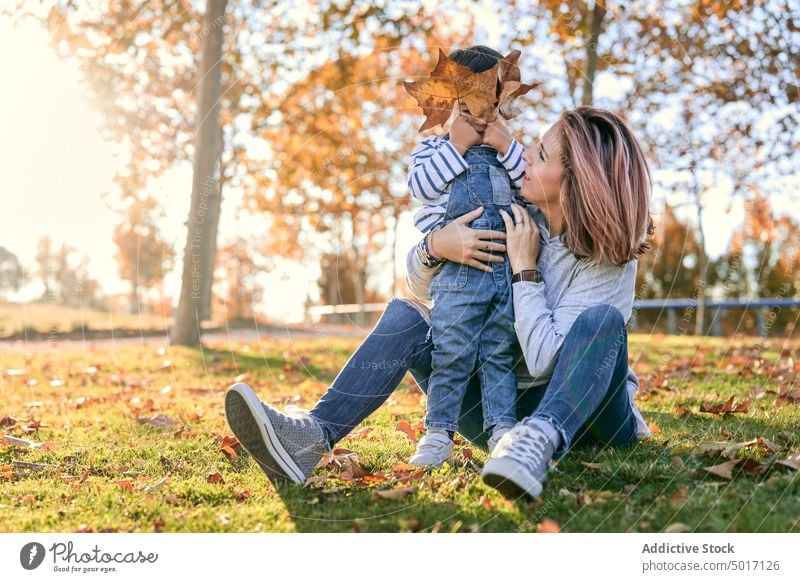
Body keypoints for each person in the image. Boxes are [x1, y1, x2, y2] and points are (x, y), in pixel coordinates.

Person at [224, 105, 654, 501]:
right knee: (405, 316)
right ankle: (309, 438)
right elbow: (423, 287)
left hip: (591, 418)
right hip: (499, 413)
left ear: (574, 182)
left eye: (539, 155)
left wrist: (525, 271)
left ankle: (538, 440)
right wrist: (436, 246)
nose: (523, 155)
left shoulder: (609, 259)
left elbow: (545, 362)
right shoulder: (511, 212)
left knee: (602, 322)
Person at [405, 45, 532, 467]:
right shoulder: (431, 150)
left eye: (490, 106)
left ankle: (503, 431)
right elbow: (422, 187)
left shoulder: (510, 150)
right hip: (456, 275)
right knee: (452, 351)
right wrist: (455, 146)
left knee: (499, 352)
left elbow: (528, 187)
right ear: (447, 105)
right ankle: (439, 432)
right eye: (468, 106)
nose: (480, 117)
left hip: (504, 272)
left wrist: (506, 144)